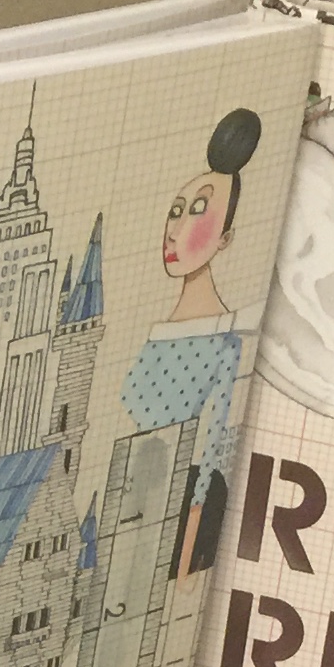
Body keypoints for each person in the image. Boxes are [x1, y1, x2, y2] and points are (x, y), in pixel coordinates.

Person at [120, 106, 265, 579]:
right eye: (176, 211)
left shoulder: (226, 338)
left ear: (225, 239)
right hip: (136, 497)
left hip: (182, 510)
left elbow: (212, 448)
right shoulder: (155, 332)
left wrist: (183, 568)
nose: (175, 229)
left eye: (199, 211)